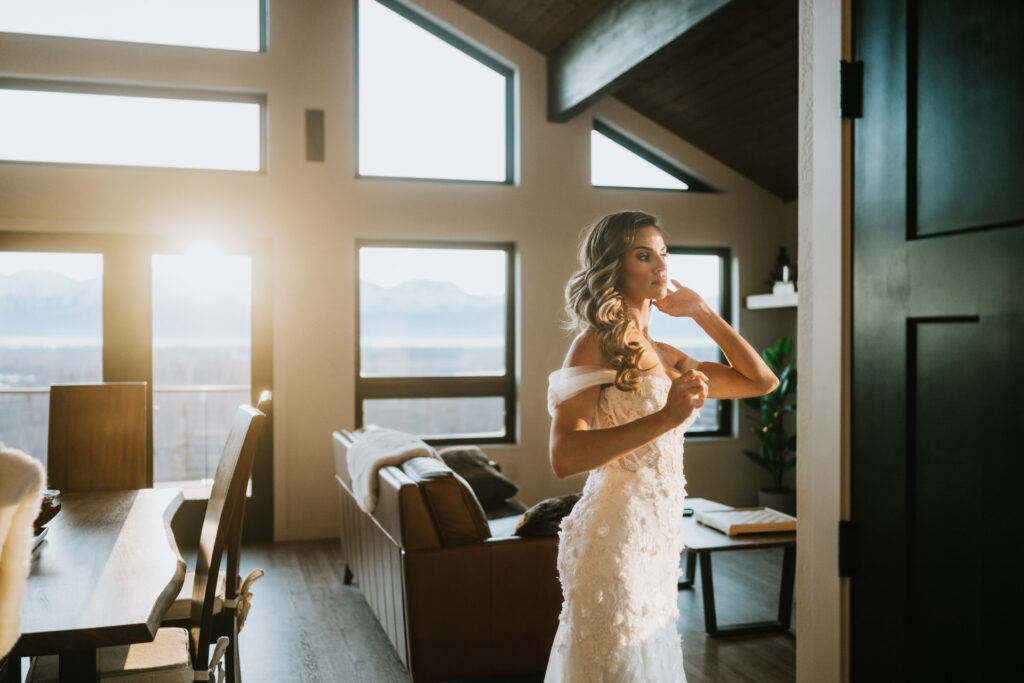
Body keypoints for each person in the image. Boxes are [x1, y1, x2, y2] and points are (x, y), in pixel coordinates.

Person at [544, 211, 778, 682]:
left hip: (659, 538)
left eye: (663, 253)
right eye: (643, 254)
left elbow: (761, 381)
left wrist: (702, 312)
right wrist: (665, 417)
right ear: (613, 265)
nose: (659, 265)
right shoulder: (594, 346)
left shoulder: (666, 355)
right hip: (616, 536)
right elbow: (565, 456)